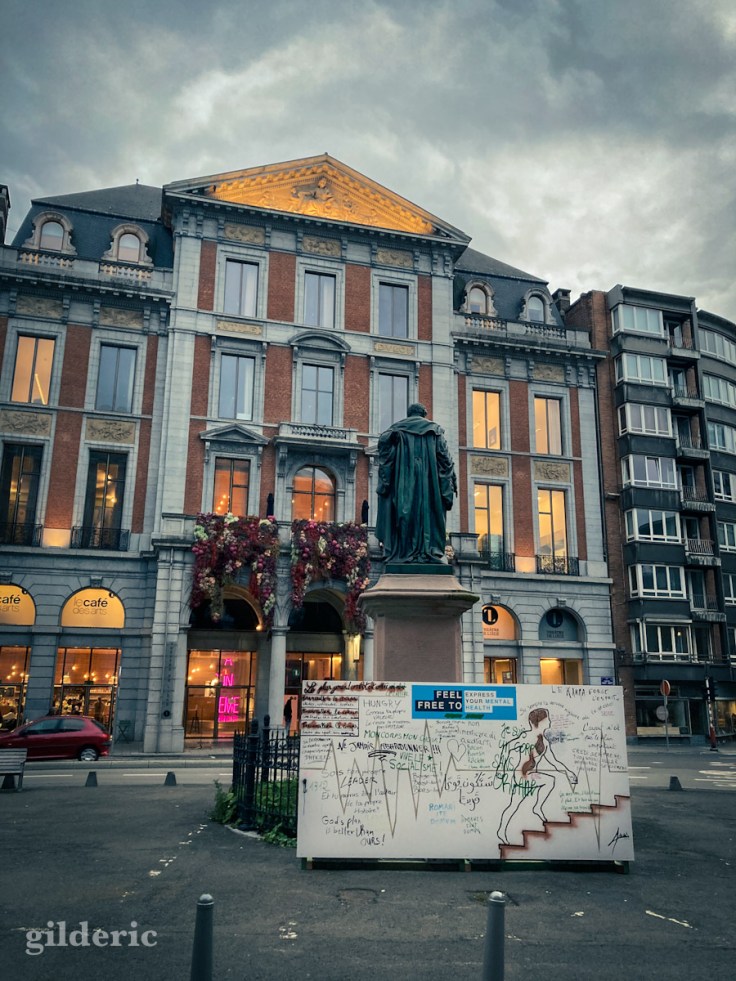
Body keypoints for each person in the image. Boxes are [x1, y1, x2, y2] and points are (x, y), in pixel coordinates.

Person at [376, 403, 457, 564]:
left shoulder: (395, 430)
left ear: (409, 414)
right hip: (429, 484)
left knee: (404, 513)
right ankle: (430, 550)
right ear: (423, 414)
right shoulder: (435, 431)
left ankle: (403, 553)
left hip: (403, 483)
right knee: (429, 513)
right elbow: (445, 460)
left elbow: (383, 450)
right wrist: (449, 481)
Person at [496, 708, 578, 845]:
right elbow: (508, 747)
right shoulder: (526, 737)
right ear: (538, 722)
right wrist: (511, 772)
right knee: (513, 805)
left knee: (549, 781)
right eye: (547, 720)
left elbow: (554, 761)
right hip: (520, 776)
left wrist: (567, 772)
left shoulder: (543, 741)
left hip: (530, 774)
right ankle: (501, 831)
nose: (550, 721)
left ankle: (537, 808)